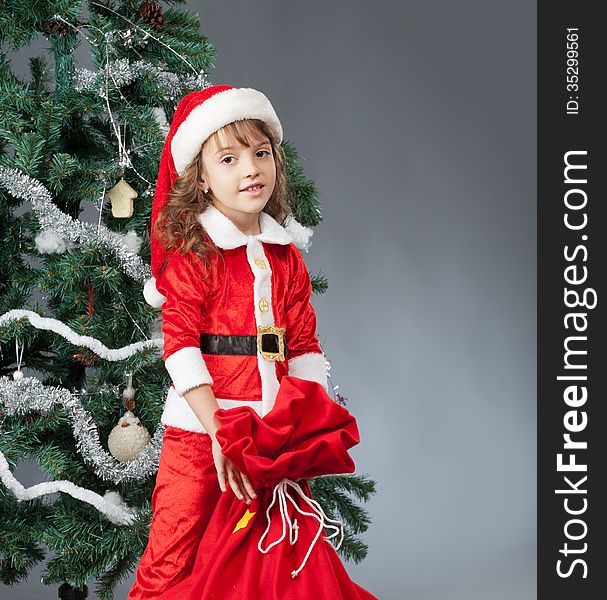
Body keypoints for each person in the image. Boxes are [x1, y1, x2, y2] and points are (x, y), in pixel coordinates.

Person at [128, 85, 328, 599]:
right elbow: (180, 347)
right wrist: (219, 431)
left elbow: (304, 347)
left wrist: (298, 424)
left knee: (270, 556)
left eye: (261, 153)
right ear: (201, 176)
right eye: (230, 158)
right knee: (173, 553)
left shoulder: (286, 258)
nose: (250, 169)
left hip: (269, 434)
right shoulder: (196, 254)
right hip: (202, 432)